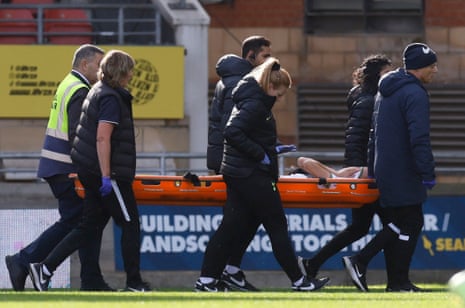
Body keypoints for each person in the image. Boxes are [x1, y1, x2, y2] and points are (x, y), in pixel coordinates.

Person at [196, 57, 330, 292]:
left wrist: (273, 147)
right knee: (276, 225)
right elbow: (233, 131)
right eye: (279, 94)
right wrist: (261, 154)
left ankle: (207, 280)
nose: (279, 99)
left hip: (239, 172)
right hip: (252, 174)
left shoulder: (251, 99)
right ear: (270, 87)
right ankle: (299, 281)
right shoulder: (256, 104)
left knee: (230, 227)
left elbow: (246, 132)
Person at [28, 49, 151, 292]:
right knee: (130, 224)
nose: (131, 76)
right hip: (107, 173)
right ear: (122, 72)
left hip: (91, 169)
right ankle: (134, 282)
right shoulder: (110, 98)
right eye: (130, 71)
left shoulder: (97, 91)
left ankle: (44, 268)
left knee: (89, 226)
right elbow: (103, 139)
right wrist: (106, 176)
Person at [4, 44, 112, 292]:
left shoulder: (69, 84)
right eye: (99, 66)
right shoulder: (81, 90)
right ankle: (23, 260)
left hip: (58, 165)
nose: (102, 72)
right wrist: (87, 168)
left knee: (83, 221)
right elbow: (79, 134)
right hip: (68, 168)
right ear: (85, 65)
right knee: (81, 221)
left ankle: (89, 278)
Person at [342, 42, 437, 292]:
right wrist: (426, 171)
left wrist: (374, 169)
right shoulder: (414, 94)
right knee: (411, 222)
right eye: (432, 66)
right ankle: (362, 261)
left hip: (385, 167)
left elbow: (374, 133)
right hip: (403, 168)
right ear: (420, 68)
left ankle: (397, 282)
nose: (435, 70)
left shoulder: (385, 90)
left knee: (400, 223)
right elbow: (419, 137)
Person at [296, 55, 392, 283]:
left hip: (362, 169)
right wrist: (360, 170)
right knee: (397, 225)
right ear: (377, 75)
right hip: (366, 173)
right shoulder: (370, 101)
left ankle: (313, 263)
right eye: (387, 72)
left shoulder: (363, 98)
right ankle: (366, 265)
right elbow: (358, 138)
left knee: (361, 227)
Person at [206, 35, 272, 291]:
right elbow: (234, 130)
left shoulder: (236, 81)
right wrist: (259, 152)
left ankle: (226, 271)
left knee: (244, 218)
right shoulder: (241, 84)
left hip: (235, 161)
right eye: (265, 56)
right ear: (250, 56)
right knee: (235, 222)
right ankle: (213, 276)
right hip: (237, 164)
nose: (270, 61)